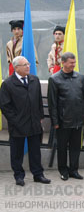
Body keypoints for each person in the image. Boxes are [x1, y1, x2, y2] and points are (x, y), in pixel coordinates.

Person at [0, 56, 51, 186]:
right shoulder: (8, 84)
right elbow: (5, 106)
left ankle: (38, 174)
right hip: (17, 124)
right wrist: (15, 121)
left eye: (28, 64)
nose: (28, 66)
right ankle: (19, 175)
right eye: (25, 65)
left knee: (35, 151)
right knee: (17, 152)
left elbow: (39, 101)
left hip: (34, 122)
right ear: (16, 68)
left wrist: (40, 118)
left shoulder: (34, 80)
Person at [48, 52, 84, 181]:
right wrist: (55, 121)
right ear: (63, 63)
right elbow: (52, 103)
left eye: (74, 62)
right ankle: (63, 170)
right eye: (71, 63)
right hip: (63, 121)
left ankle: (74, 170)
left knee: (76, 147)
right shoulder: (54, 79)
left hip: (78, 120)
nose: (73, 65)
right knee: (62, 147)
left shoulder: (80, 77)